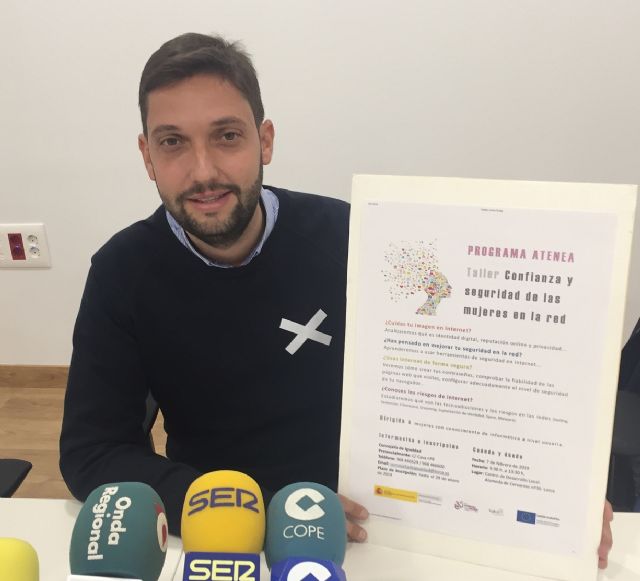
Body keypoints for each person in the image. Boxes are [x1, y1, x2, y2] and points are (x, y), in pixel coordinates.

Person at [59, 32, 612, 567]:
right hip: (223, 533)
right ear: (147, 156)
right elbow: (93, 452)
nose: (203, 171)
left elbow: (483, 369)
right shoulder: (121, 273)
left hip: (378, 526)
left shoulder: (357, 238)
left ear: (265, 140)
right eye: (173, 142)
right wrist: (254, 509)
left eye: (226, 136)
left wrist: (560, 496)